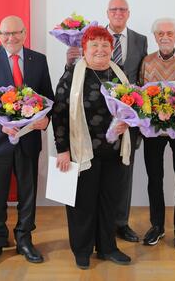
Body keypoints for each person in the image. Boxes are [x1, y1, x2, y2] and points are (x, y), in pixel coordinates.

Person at [0, 15, 54, 268]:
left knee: (28, 192)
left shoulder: (38, 60)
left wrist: (45, 119)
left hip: (28, 140)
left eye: (16, 33)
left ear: (25, 33)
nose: (10, 38)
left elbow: (47, 97)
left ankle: (25, 238)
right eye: (5, 33)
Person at [66, 0, 147, 242]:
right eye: (114, 9)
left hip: (125, 125)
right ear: (107, 12)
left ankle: (119, 223)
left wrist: (135, 111)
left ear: (129, 13)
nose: (118, 13)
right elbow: (67, 95)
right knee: (91, 186)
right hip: (89, 130)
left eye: (123, 9)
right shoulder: (92, 38)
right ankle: (94, 233)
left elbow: (140, 78)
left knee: (122, 178)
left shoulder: (140, 40)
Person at [53, 26, 133, 269]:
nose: (100, 49)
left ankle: (107, 247)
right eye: (94, 45)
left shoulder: (120, 75)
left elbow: (132, 108)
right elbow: (59, 115)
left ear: (112, 49)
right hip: (81, 152)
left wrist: (127, 124)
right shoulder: (71, 76)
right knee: (82, 203)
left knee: (109, 201)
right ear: (85, 50)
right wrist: (63, 150)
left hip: (113, 151)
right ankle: (82, 249)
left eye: (105, 45)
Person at [138, 18, 175, 249]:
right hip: (153, 130)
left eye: (169, 33)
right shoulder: (146, 62)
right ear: (154, 36)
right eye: (160, 33)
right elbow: (139, 93)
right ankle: (157, 225)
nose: (165, 37)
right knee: (155, 178)